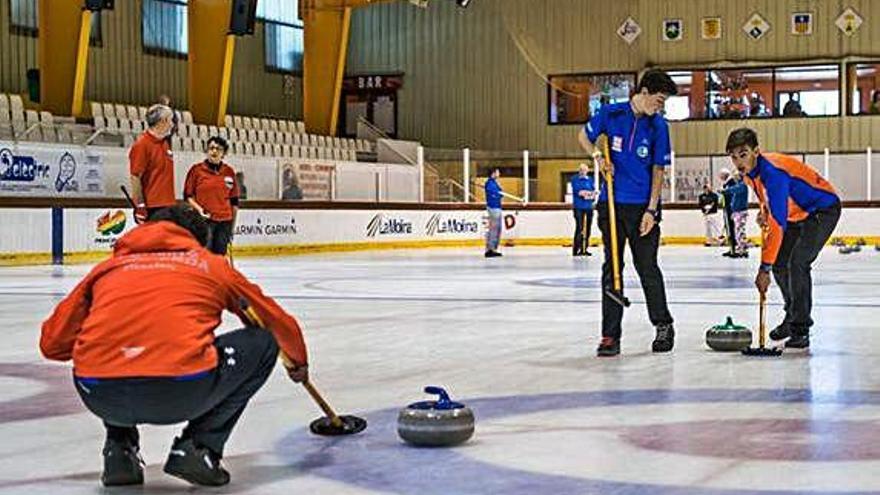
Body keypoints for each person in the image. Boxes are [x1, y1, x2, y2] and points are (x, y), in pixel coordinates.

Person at [40, 204, 309, 487]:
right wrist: (298, 363)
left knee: (110, 347)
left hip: (99, 394)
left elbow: (52, 344)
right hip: (181, 388)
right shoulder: (210, 264)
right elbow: (276, 323)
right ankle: (198, 447)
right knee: (264, 343)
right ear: (195, 238)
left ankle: (119, 450)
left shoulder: (106, 269)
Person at [577, 68, 678, 357]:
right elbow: (583, 135)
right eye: (659, 100)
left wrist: (651, 209)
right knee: (613, 268)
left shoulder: (658, 126)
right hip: (611, 206)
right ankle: (610, 335)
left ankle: (663, 325)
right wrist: (596, 156)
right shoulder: (611, 114)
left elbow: (658, 170)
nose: (661, 106)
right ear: (643, 92)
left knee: (647, 267)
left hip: (642, 209)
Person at [726, 128, 841, 349]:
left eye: (743, 154)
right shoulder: (751, 174)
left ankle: (801, 328)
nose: (738, 161)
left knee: (798, 263)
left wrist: (763, 268)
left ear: (756, 151)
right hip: (797, 214)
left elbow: (778, 225)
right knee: (781, 264)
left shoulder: (773, 172)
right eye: (733, 156)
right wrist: (765, 212)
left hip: (822, 210)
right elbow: (772, 204)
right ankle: (791, 317)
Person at [183, 136, 240, 255]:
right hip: (205, 221)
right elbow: (188, 196)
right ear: (207, 151)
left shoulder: (229, 172)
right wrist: (199, 210)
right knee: (204, 255)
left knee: (219, 258)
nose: (214, 151)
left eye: (218, 149)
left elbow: (234, 202)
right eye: (211, 148)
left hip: (225, 222)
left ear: (223, 153)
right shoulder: (196, 170)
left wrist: (231, 228)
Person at [129, 104, 176, 223]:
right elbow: (135, 177)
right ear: (163, 121)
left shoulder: (164, 143)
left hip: (168, 205)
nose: (172, 124)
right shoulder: (142, 145)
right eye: (171, 120)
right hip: (153, 207)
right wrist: (139, 205)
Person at [570, 163, 596, 256]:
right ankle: (576, 249)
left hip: (589, 207)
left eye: (585, 170)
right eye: (581, 169)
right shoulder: (575, 179)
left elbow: (593, 193)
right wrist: (587, 194)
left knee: (588, 228)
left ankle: (584, 248)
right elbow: (580, 192)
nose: (583, 171)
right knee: (579, 228)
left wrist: (589, 194)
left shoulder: (590, 180)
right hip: (579, 207)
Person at [722, 173, 749, 258]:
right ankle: (741, 248)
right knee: (738, 231)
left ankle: (742, 249)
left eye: (736, 177)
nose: (734, 178)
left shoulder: (742, 185)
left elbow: (733, 190)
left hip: (740, 212)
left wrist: (725, 191)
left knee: (740, 231)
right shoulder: (740, 185)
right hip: (737, 212)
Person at [484, 168, 503, 258]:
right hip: (493, 207)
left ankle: (494, 248)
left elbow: (500, 192)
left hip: (497, 207)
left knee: (498, 228)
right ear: (493, 173)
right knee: (494, 229)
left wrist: (499, 193)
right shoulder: (490, 183)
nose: (499, 173)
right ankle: (490, 249)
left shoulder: (494, 183)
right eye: (497, 172)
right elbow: (495, 195)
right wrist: (498, 194)